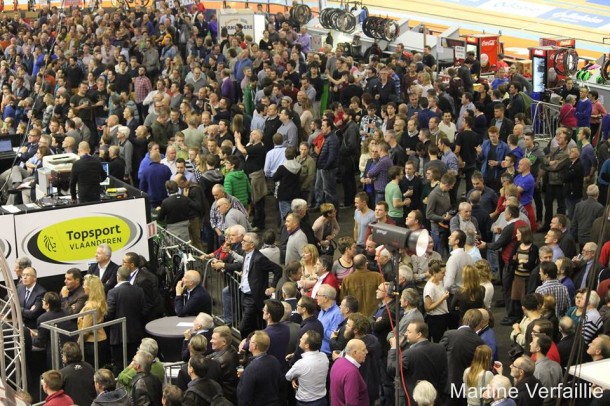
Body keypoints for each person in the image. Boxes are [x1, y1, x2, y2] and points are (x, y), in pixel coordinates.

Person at [388, 320, 447, 406]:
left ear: (419, 334)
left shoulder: (409, 354)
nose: (405, 334)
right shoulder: (440, 348)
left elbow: (391, 369)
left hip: (415, 401)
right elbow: (444, 375)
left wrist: (393, 348)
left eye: (409, 331)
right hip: (435, 399)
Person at [106, 266, 146, 373]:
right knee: (136, 365)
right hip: (136, 333)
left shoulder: (112, 292)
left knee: (120, 366)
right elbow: (143, 310)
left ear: (117, 276)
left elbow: (109, 314)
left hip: (118, 336)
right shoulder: (139, 290)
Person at [440, 309, 485, 406]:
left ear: (464, 318)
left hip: (447, 385)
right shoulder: (479, 341)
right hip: (466, 387)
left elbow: (439, 355)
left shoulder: (450, 335)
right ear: (479, 323)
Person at [236, 330, 284, 406]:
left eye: (250, 342)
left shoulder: (252, 368)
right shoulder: (275, 361)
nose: (248, 344)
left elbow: (244, 397)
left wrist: (246, 375)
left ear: (255, 346)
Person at [285, 330, 329, 406]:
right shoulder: (324, 356)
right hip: (322, 400)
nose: (300, 339)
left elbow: (288, 376)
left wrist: (295, 378)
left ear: (307, 345)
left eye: (302, 338)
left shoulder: (301, 364)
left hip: (306, 402)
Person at [77, 274, 110, 368]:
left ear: (90, 288)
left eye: (84, 285)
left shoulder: (90, 307)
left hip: (92, 344)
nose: (83, 287)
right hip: (100, 341)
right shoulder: (99, 302)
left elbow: (85, 331)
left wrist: (78, 343)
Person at [330, 338, 369, 406]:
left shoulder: (338, 361)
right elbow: (351, 403)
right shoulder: (351, 373)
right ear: (354, 353)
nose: (367, 352)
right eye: (363, 350)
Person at [206, 325, 239, 402]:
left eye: (213, 339)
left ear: (224, 342)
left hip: (224, 398)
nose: (210, 341)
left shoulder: (219, 361)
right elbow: (212, 355)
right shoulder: (231, 348)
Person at [60, 342, 96, 406]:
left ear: (66, 356)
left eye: (63, 354)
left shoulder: (63, 373)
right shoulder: (89, 367)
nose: (62, 357)